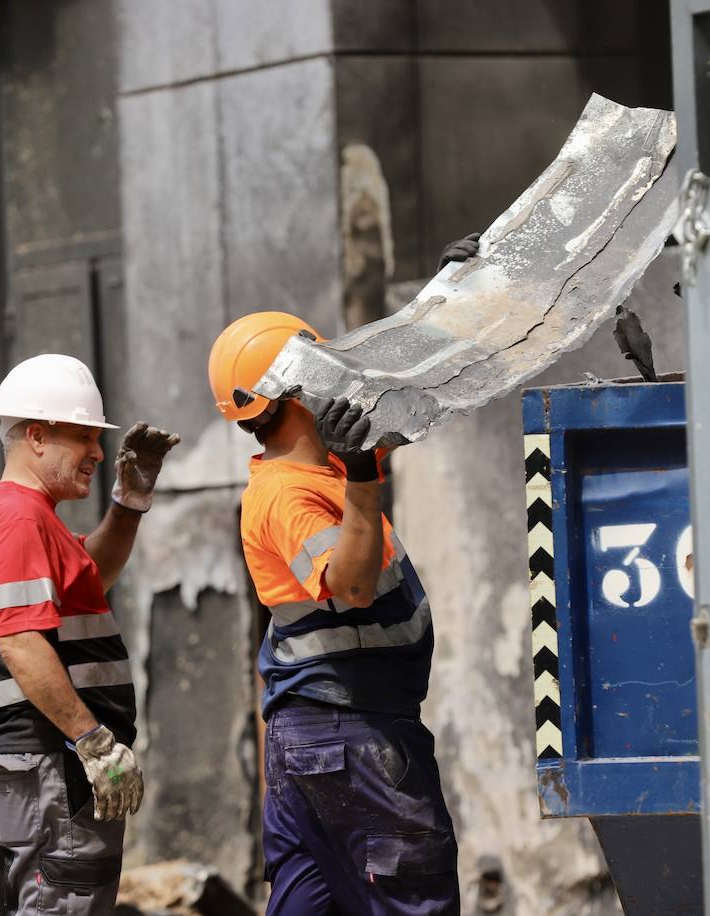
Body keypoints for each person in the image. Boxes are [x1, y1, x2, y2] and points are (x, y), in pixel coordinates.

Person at [207, 312, 459, 915]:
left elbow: (400, 403)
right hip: (353, 732)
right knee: (411, 897)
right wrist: (365, 481)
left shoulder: (320, 475)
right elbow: (351, 586)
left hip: (319, 738)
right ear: (293, 392)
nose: (338, 383)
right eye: (320, 371)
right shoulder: (290, 494)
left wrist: (450, 304)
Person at [0, 353, 179, 914]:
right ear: (36, 435)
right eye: (83, 437)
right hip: (51, 762)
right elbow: (21, 641)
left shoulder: (21, 513)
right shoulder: (18, 517)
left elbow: (89, 580)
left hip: (44, 767)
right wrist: (93, 741)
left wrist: (128, 504)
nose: (99, 454)